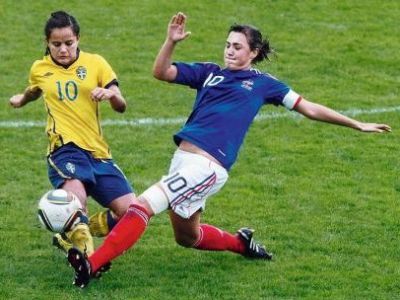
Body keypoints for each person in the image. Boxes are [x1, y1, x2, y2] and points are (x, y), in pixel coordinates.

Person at [66, 12, 391, 288]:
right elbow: (161, 73)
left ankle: (91, 265)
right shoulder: (210, 73)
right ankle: (242, 243)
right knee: (187, 237)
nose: (230, 51)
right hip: (183, 162)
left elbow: (310, 108)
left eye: (237, 47)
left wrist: (356, 124)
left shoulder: (265, 84)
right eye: (227, 45)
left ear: (253, 52)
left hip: (207, 168)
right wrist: (171, 42)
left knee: (144, 205)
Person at [9, 11, 135, 258]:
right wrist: (22, 99)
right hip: (64, 148)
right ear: (47, 43)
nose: (63, 49)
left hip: (98, 152)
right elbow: (35, 90)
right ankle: (88, 260)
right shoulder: (40, 68)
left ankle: (68, 233)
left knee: (132, 213)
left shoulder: (96, 63)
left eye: (69, 43)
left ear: (78, 38)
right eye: (56, 44)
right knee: (76, 203)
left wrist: (112, 96)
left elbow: (122, 106)